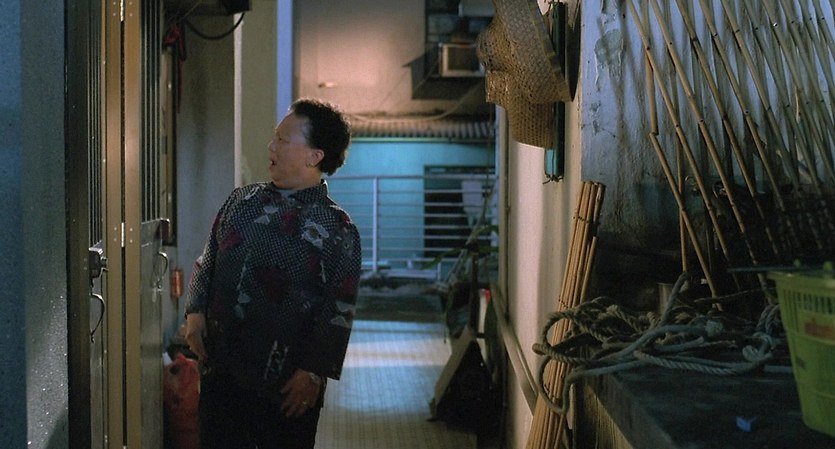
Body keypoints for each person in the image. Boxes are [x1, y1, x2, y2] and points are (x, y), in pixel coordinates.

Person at [184, 98, 362, 449]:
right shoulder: (241, 201)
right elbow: (209, 258)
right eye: (274, 137)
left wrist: (314, 372)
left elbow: (339, 308)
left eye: (283, 139)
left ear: (314, 156)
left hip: (285, 386)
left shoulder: (337, 228)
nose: (271, 146)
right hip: (223, 372)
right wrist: (195, 312)